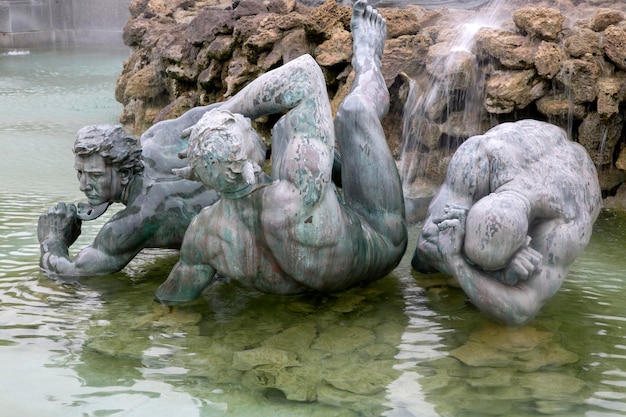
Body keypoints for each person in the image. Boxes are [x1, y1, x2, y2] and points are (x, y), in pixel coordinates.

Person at [154, 0, 407, 303]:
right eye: (245, 127)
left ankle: (338, 174)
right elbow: (304, 75)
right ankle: (369, 61)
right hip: (378, 241)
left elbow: (172, 298)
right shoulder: (297, 192)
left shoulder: (202, 234)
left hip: (303, 263)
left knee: (284, 128)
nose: (250, 124)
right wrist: (225, 110)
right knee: (354, 113)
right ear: (248, 167)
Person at [411, 119, 602, 326]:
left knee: (503, 291)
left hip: (574, 178)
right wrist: (503, 275)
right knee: (427, 268)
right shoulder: (477, 156)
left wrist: (455, 260)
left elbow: (521, 311)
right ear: (481, 199)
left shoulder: (569, 225)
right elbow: (423, 251)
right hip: (520, 143)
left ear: (525, 241)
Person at [38, 113, 220, 277]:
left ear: (124, 174)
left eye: (95, 175)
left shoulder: (137, 219)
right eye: (80, 172)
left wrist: (52, 240)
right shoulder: (157, 137)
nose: (83, 186)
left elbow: (73, 272)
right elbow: (236, 104)